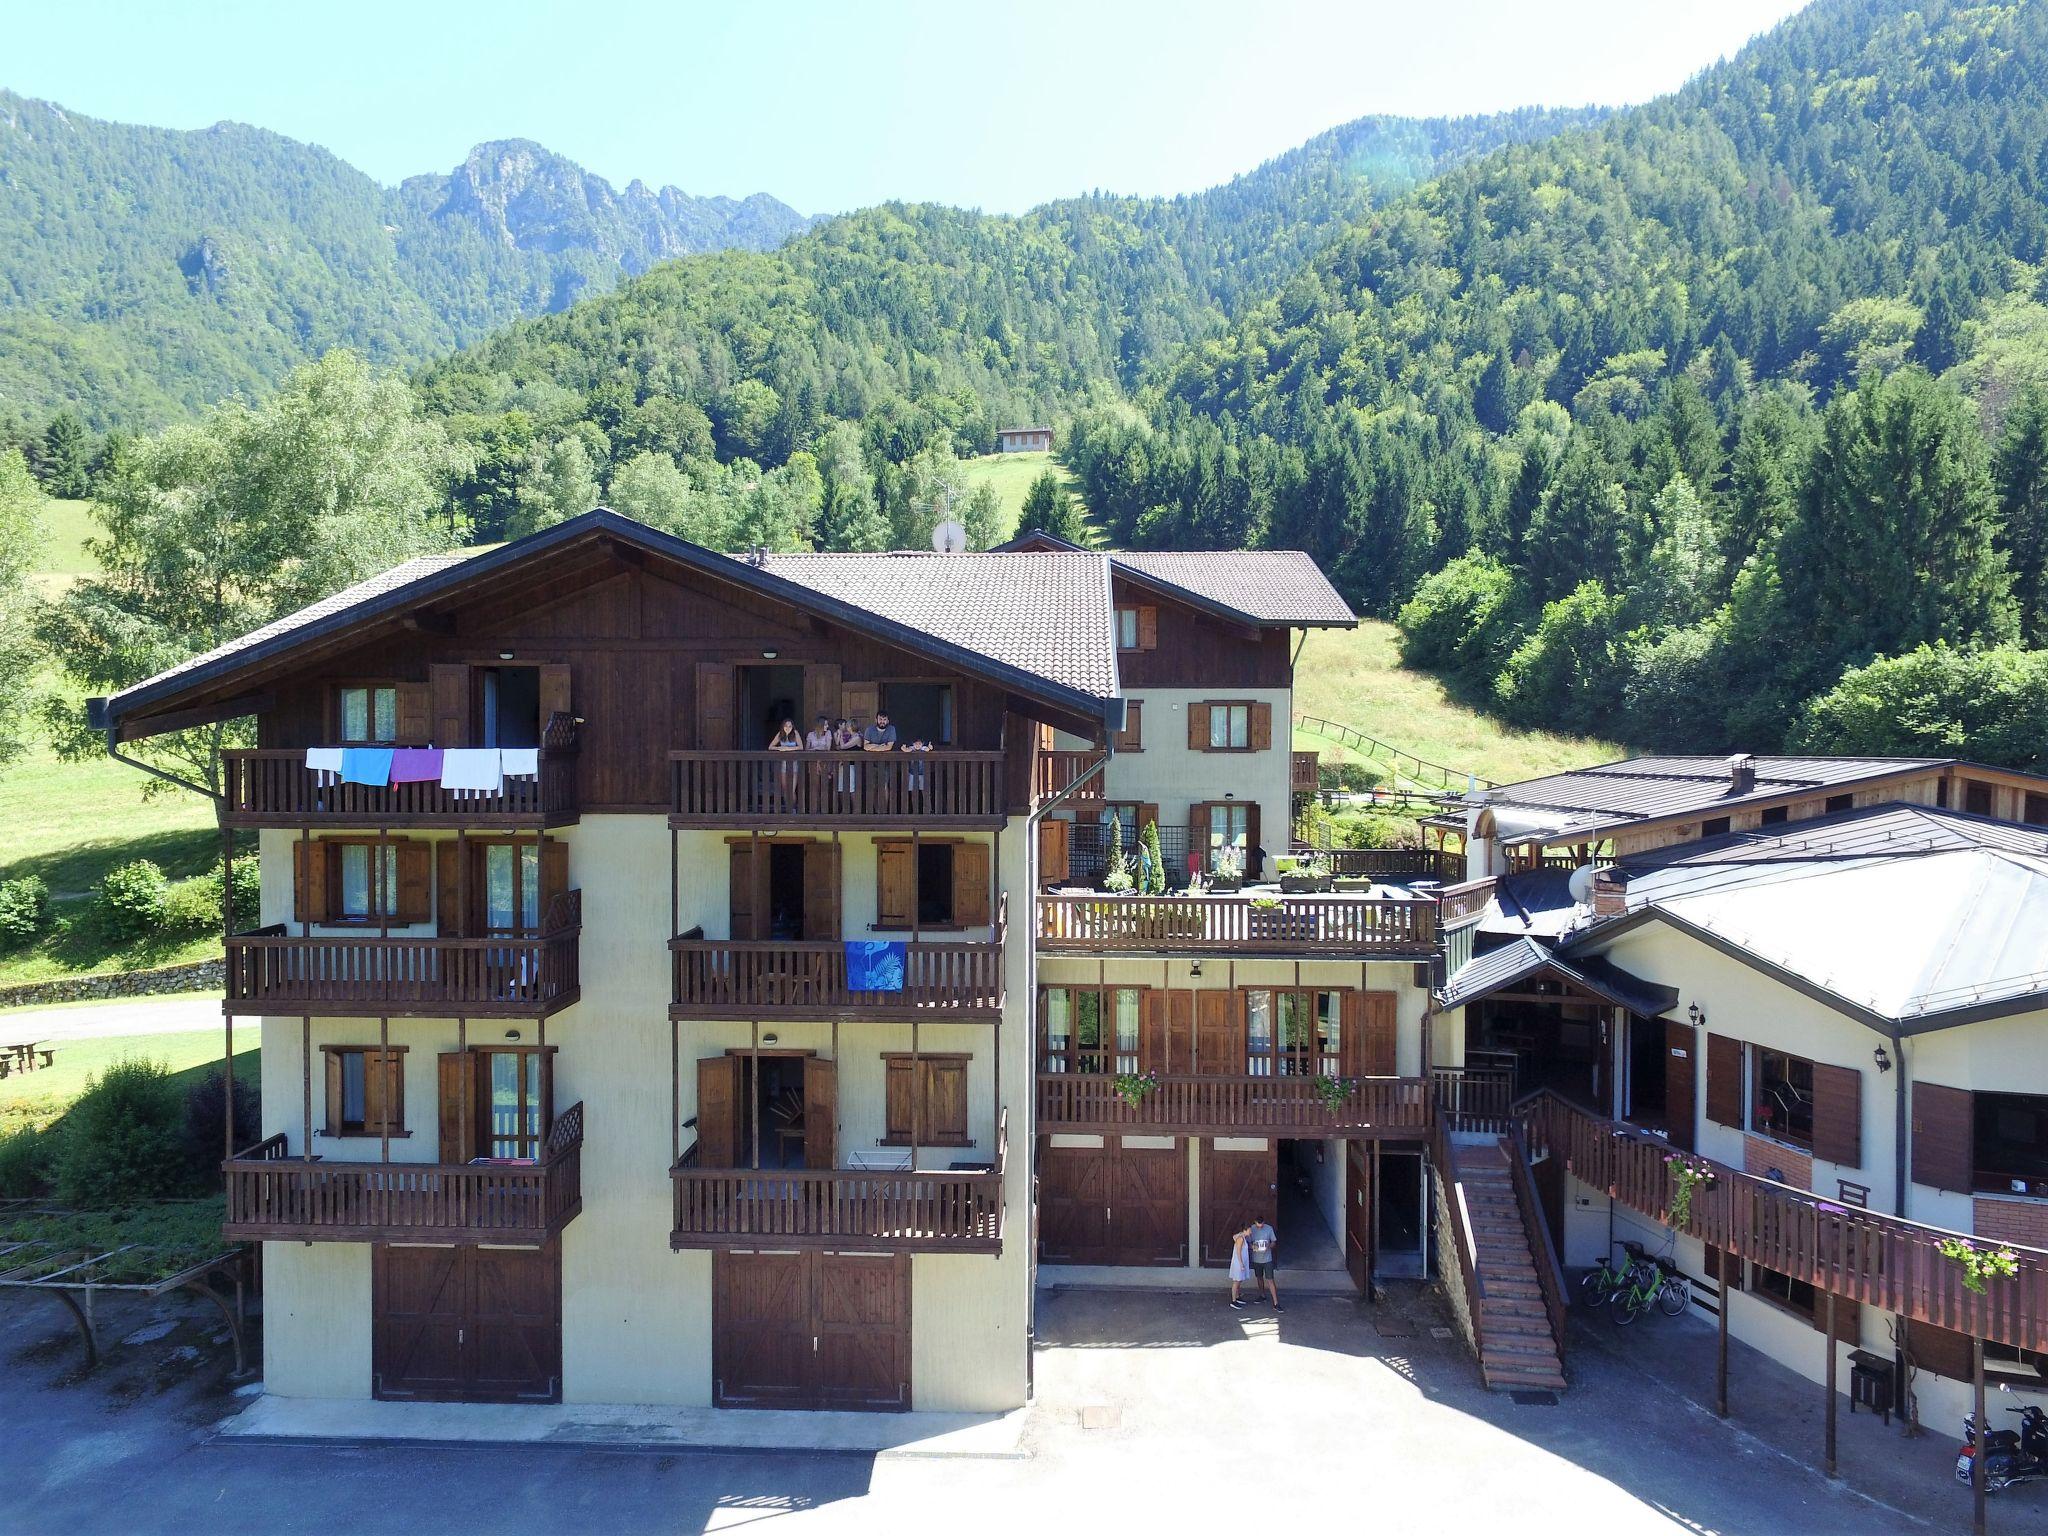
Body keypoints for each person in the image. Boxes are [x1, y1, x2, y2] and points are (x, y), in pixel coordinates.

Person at [1234, 1216, 1281, 1310]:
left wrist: (1269, 1246)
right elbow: (1244, 1240)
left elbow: (1274, 1242)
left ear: (1264, 1222)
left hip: (1267, 1259)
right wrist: (1254, 1247)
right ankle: (1262, 1295)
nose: (1260, 1227)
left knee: (1270, 1279)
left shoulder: (1269, 1228)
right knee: (1259, 1278)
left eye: (1262, 1225)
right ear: (1255, 1223)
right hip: (1256, 1259)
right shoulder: (1251, 1229)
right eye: (1258, 1225)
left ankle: (1276, 1303)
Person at [863, 710, 900, 810]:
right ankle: (874, 810)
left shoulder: (891, 729)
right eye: (880, 719)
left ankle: (884, 810)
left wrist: (873, 747)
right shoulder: (869, 729)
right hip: (872, 763)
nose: (882, 721)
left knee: (884, 786)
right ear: (876, 720)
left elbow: (889, 747)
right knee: (873, 787)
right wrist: (880, 746)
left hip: (885, 763)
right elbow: (865, 746)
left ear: (887, 721)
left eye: (884, 719)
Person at [767, 716, 802, 805]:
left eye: (790, 726)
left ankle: (793, 809)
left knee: (792, 789)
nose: (788, 728)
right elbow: (770, 747)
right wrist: (779, 748)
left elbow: (801, 747)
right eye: (786, 726)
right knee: (785, 789)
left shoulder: (795, 733)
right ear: (783, 726)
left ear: (792, 727)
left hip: (793, 764)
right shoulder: (780, 734)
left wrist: (787, 749)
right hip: (783, 764)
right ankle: (787, 808)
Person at [832, 716, 862, 800]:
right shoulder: (850, 737)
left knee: (852, 788)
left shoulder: (857, 737)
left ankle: (855, 811)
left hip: (852, 766)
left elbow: (843, 746)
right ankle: (844, 809)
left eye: (848, 726)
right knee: (841, 787)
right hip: (844, 764)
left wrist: (840, 735)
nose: (846, 728)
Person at [1227, 1227, 1252, 1307]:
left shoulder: (1243, 1238)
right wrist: (1241, 1263)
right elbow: (1238, 1251)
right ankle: (1233, 1301)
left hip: (1242, 1262)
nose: (1251, 1232)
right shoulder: (1240, 1239)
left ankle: (1237, 1297)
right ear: (1245, 1230)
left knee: (1239, 1280)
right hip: (1238, 1263)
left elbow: (1234, 1236)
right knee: (1236, 1281)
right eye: (1249, 1230)